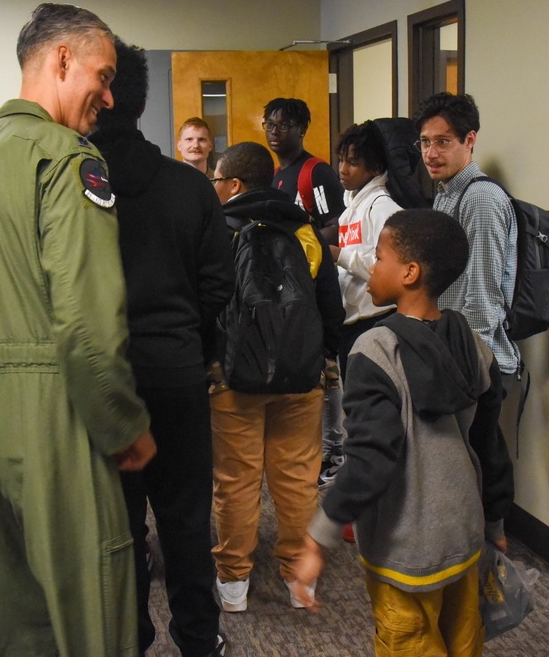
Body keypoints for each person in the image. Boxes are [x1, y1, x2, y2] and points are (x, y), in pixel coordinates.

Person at [0, 3, 156, 656]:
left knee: (17, 608)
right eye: (102, 76)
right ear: (60, 60)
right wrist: (122, 424)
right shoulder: (65, 158)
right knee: (93, 611)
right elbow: (85, 323)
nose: (109, 97)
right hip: (54, 413)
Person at [292, 209, 514, 656]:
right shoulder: (473, 344)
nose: (371, 267)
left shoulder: (374, 350)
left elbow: (370, 457)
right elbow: (489, 446)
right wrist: (494, 521)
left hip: (404, 549)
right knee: (463, 641)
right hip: (463, 533)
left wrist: (318, 537)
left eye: (379, 257)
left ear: (410, 273)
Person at [90, 39, 233, 657]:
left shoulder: (72, 184)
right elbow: (218, 287)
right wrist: (194, 351)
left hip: (105, 381)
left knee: (118, 524)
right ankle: (200, 639)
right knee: (184, 519)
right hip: (176, 375)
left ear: (99, 95)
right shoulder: (190, 187)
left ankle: (132, 638)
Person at [208, 141, 344, 613]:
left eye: (218, 180)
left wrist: (212, 363)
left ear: (236, 184)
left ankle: (233, 584)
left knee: (237, 480)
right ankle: (294, 575)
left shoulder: (220, 229)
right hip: (301, 378)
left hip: (234, 379)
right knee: (297, 477)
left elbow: (207, 305)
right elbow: (331, 307)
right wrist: (323, 362)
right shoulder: (303, 229)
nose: (215, 187)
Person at [415, 92, 522, 442]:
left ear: (470, 140)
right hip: (452, 352)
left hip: (473, 363)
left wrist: (465, 373)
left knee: (471, 478)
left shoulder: (479, 199)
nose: (431, 153)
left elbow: (481, 297)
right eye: (425, 142)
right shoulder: (447, 191)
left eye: (443, 142)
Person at [318, 121, 402, 490]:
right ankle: (357, 483)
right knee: (354, 411)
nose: (343, 169)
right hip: (350, 323)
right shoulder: (353, 204)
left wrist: (339, 255)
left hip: (373, 323)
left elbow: (387, 266)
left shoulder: (382, 207)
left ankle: (368, 488)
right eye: (341, 160)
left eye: (353, 162)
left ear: (376, 167)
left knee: (365, 413)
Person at [264, 98, 345, 238]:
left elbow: (336, 227)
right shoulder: (274, 175)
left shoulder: (316, 172)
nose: (274, 132)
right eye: (270, 125)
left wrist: (300, 248)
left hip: (309, 258)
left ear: (301, 130)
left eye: (283, 125)